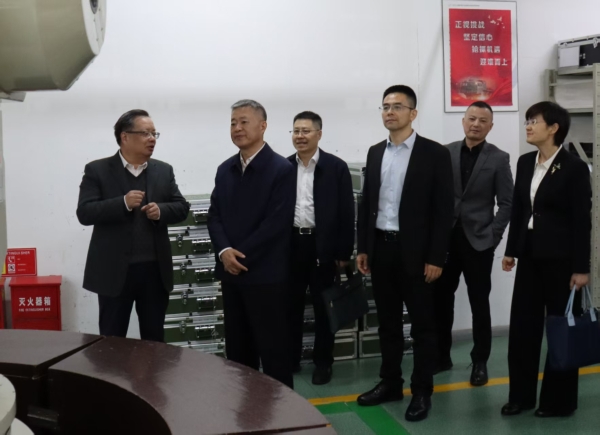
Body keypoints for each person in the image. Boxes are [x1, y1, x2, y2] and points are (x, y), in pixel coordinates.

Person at [356, 85, 454, 422]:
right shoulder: (375, 152)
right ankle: (391, 383)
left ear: (413, 113)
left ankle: (422, 391)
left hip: (418, 254)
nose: (390, 112)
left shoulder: (434, 153)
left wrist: (436, 257)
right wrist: (364, 247)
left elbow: (443, 210)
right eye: (385, 106)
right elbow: (367, 203)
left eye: (397, 106)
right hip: (381, 249)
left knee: (424, 327)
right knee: (388, 324)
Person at [501, 101, 591, 417]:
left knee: (560, 330)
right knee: (522, 328)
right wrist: (511, 250)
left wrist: (581, 268)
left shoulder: (574, 167)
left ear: (553, 128)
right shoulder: (526, 162)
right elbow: (519, 210)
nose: (528, 126)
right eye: (527, 121)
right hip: (529, 255)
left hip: (562, 262)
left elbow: (582, 221)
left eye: (534, 121)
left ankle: (558, 401)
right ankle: (521, 396)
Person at [77, 109, 190, 342]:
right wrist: (122, 203)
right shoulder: (97, 170)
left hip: (154, 272)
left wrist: (161, 211)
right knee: (111, 341)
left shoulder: (163, 170)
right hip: (113, 272)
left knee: (154, 341)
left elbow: (181, 207)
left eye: (154, 134)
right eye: (146, 133)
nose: (152, 139)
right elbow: (85, 213)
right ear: (125, 136)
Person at [207, 99, 296, 388]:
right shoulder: (225, 169)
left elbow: (276, 223)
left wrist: (239, 256)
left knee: (273, 350)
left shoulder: (281, 169)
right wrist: (224, 252)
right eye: (233, 123)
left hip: (266, 275)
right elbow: (214, 215)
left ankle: (283, 410)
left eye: (244, 122)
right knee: (238, 351)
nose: (237, 128)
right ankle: (245, 408)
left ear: (263, 125)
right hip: (231, 275)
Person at [434, 101, 513, 386]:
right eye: (471, 118)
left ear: (490, 126)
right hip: (445, 240)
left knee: (479, 303)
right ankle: (441, 356)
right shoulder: (445, 152)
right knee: (441, 300)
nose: (476, 124)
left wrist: (493, 237)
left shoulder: (499, 158)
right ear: (463, 121)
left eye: (482, 120)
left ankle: (479, 361)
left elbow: (507, 203)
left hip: (479, 241)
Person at [287, 111, 355, 385]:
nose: (300, 136)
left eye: (306, 131)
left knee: (324, 308)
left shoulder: (336, 167)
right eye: (296, 131)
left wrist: (343, 254)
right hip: (291, 245)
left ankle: (323, 363)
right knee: (289, 307)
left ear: (319, 134)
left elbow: (347, 213)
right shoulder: (283, 167)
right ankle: (290, 359)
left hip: (323, 246)